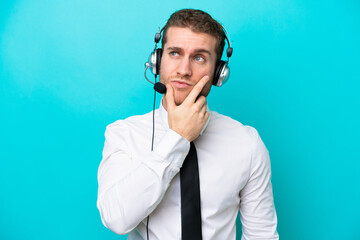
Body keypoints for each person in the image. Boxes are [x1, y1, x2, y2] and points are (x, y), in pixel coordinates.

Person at [97, 9, 279, 240]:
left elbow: (261, 235)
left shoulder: (247, 143)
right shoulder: (124, 134)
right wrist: (177, 137)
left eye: (199, 57)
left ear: (218, 73)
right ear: (158, 61)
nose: (184, 70)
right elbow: (115, 219)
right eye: (174, 53)